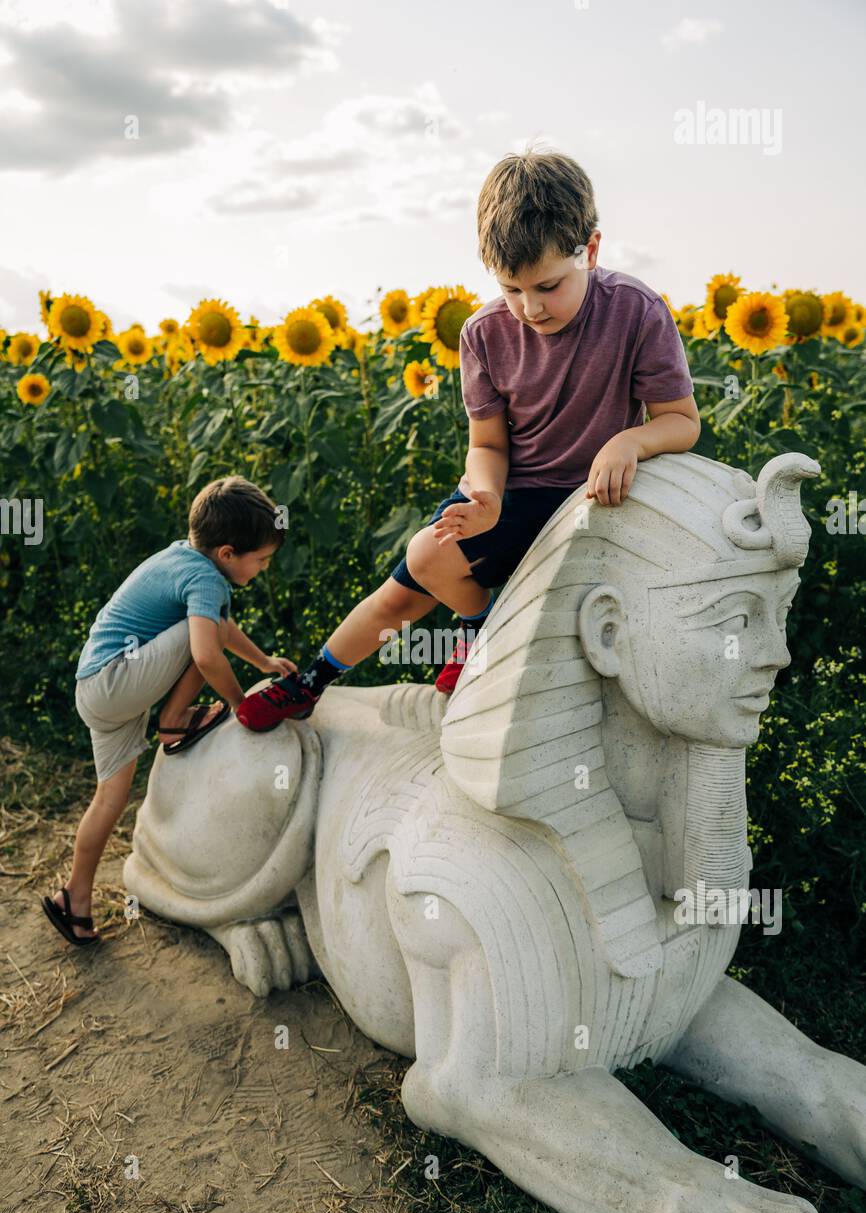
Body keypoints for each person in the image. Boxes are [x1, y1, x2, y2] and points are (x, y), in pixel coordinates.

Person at [235, 147, 700, 732]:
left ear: (592, 250)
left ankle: (479, 641)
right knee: (418, 567)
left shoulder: (636, 311)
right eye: (511, 289)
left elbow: (681, 420)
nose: (530, 308)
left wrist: (629, 443)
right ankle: (315, 681)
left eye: (548, 286)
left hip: (595, 497)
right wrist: (487, 498)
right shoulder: (483, 334)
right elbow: (489, 446)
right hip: (515, 490)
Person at [41, 476, 294, 946]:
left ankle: (72, 899)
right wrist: (243, 705)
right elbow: (206, 652)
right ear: (226, 553)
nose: (261, 569)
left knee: (108, 801)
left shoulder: (185, 558)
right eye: (260, 560)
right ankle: (174, 721)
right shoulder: (205, 578)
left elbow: (219, 624)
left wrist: (262, 661)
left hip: (98, 688)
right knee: (204, 638)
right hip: (117, 682)